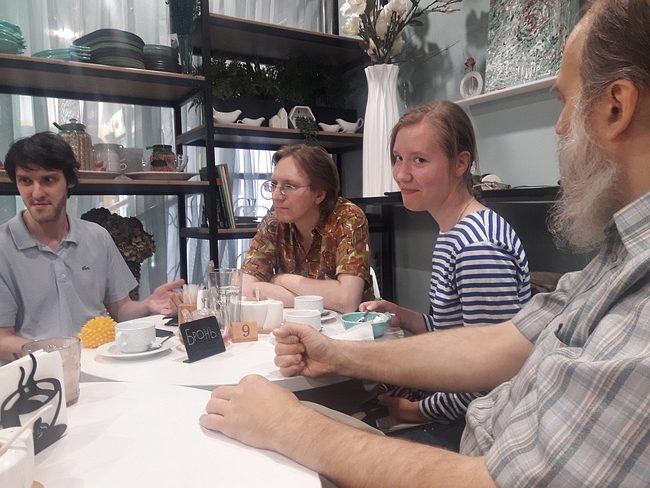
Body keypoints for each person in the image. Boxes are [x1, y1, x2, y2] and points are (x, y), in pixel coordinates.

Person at [199, 1, 650, 486]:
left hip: (464, 435)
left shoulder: (478, 244)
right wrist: (338, 350)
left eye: (564, 102)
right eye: (398, 159)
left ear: (616, 106)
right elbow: (498, 342)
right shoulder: (613, 259)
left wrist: (304, 423)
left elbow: (493, 400)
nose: (559, 126)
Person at [359, 101, 531, 443]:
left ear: (460, 163)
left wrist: (413, 411)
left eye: (419, 160)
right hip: (453, 403)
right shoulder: (453, 230)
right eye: (398, 158)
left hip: (480, 426)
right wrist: (402, 315)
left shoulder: (477, 246)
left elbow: (491, 376)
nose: (402, 174)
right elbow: (453, 331)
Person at [0, 132, 183, 362]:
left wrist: (148, 304)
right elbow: (2, 339)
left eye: (48, 180)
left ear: (69, 181)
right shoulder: (4, 246)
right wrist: (55, 351)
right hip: (38, 373)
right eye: (26, 181)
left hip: (103, 362)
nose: (36, 193)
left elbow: (121, 310)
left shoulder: (96, 236)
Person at [241, 144, 373, 313]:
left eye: (289, 186)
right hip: (295, 322)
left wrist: (282, 280)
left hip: (351, 326)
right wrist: (309, 299)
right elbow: (244, 287)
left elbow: (346, 300)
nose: (276, 196)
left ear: (319, 194)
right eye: (274, 184)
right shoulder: (274, 222)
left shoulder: (347, 218)